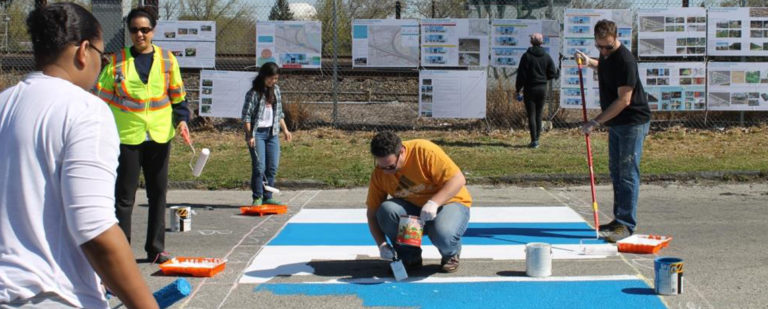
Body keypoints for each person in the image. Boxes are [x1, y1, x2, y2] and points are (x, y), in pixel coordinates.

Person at [0, 3, 157, 308]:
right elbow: (95, 229)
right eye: (101, 55)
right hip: (51, 294)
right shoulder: (85, 110)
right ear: (84, 51)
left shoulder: (5, 102)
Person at [94, 7, 190, 264]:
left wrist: (182, 121)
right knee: (124, 197)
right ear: (129, 32)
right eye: (135, 30)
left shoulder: (168, 60)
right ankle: (122, 251)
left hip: (159, 135)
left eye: (145, 30)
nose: (140, 34)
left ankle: (156, 248)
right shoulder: (116, 61)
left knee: (157, 193)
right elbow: (100, 99)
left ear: (153, 31)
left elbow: (178, 97)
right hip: (127, 137)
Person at [574, 19, 651, 242]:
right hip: (617, 123)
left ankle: (626, 223)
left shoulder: (626, 60)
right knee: (616, 170)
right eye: (599, 46)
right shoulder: (607, 57)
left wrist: (595, 122)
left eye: (607, 46)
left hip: (632, 121)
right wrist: (590, 61)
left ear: (616, 38)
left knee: (627, 172)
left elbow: (624, 100)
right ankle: (619, 219)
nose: (604, 50)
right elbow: (605, 65)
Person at [366, 131, 472, 273]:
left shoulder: (423, 151)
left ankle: (450, 253)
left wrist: (434, 203)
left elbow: (458, 180)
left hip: (449, 202)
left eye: (391, 166)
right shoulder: (379, 174)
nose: (386, 171)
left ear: (402, 151)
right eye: (381, 166)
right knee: (387, 210)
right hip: (414, 212)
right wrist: (381, 244)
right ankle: (410, 257)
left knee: (442, 233)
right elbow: (372, 213)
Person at [242, 62, 293, 206]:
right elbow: (246, 116)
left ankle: (267, 196)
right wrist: (250, 135)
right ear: (263, 76)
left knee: (272, 167)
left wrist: (285, 130)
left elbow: (279, 113)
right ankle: (257, 197)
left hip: (272, 133)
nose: (273, 81)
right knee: (259, 166)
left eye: (276, 78)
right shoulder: (253, 93)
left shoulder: (276, 90)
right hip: (257, 134)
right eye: (271, 78)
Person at [515, 33, 558, 149]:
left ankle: (534, 140)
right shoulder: (546, 56)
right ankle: (537, 139)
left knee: (531, 115)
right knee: (539, 115)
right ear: (542, 43)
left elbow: (521, 75)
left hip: (530, 89)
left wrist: (518, 89)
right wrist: (544, 79)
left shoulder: (526, 56)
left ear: (531, 42)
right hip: (542, 89)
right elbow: (552, 73)